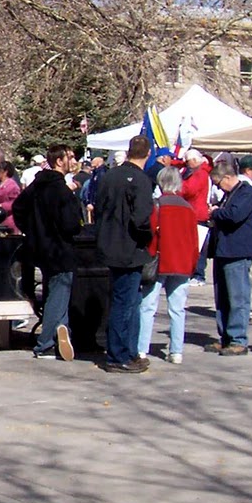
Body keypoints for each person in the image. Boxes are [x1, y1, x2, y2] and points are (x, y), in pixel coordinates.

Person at [13, 144, 84, 361]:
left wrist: (32, 231)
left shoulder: (36, 186)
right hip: (59, 248)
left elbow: (18, 208)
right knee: (59, 292)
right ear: (59, 161)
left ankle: (61, 330)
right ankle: (45, 343)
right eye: (69, 157)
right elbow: (72, 225)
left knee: (53, 289)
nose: (73, 161)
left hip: (40, 248)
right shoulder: (61, 190)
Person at [93, 134, 154, 372]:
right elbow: (141, 218)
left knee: (130, 300)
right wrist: (146, 237)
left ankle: (129, 351)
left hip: (110, 243)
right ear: (148, 154)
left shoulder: (109, 176)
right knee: (125, 303)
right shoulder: (140, 180)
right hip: (129, 248)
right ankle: (118, 356)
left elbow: (98, 208)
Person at [138, 163, 199, 364]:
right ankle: (176, 351)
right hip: (182, 263)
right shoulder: (189, 208)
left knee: (148, 307)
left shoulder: (156, 205)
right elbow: (194, 240)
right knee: (178, 309)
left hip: (159, 261)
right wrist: (193, 264)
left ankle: (142, 348)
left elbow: (151, 235)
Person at [205, 157, 252, 356]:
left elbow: (234, 215)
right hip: (223, 250)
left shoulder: (247, 193)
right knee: (222, 298)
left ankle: (238, 339)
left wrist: (216, 212)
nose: (218, 188)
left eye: (218, 183)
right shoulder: (230, 195)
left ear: (228, 177)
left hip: (238, 251)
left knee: (237, 297)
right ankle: (226, 337)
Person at [0, 159, 22, 230]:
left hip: (6, 222)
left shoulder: (12, 186)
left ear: (5, 172)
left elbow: (15, 203)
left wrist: (1, 205)